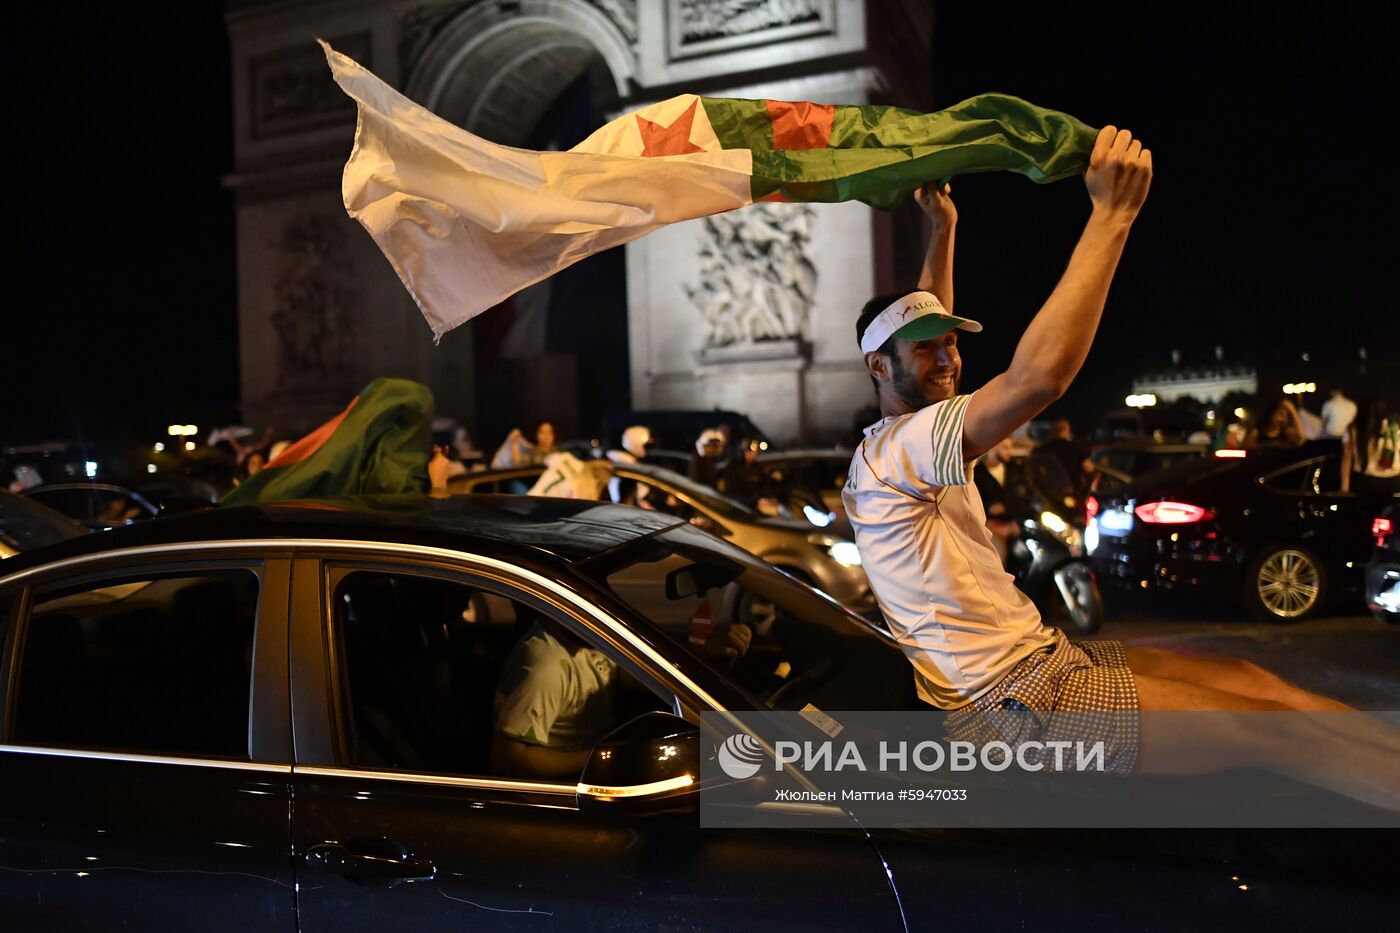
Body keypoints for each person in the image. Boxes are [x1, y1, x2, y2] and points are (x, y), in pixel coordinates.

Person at [842, 129, 1399, 808]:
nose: (948, 360)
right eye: (927, 351)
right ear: (879, 367)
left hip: (1038, 665)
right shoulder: (900, 449)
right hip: (1011, 707)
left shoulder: (905, 435)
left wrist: (943, 226)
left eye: (952, 344)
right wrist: (1112, 217)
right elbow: (1037, 378)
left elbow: (927, 328)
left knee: (1259, 680)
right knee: (1277, 731)